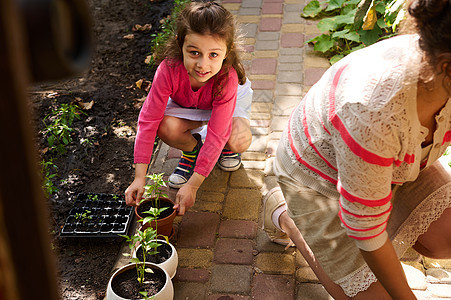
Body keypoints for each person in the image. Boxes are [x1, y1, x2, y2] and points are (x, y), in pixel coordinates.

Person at [263, 0, 451, 299]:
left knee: (445, 240)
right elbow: (367, 229)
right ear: (446, 67)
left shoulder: (436, 69)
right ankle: (283, 209)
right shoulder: (372, 111)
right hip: (318, 176)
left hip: (400, 162)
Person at [125, 1, 252, 215]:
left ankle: (226, 150)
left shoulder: (226, 77)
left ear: (226, 51)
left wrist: (193, 185)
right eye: (194, 52)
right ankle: (192, 152)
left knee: (237, 139)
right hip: (187, 104)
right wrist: (140, 177)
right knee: (166, 127)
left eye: (213, 55)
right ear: (180, 44)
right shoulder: (168, 70)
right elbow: (148, 121)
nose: (203, 65)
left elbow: (217, 132)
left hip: (223, 105)